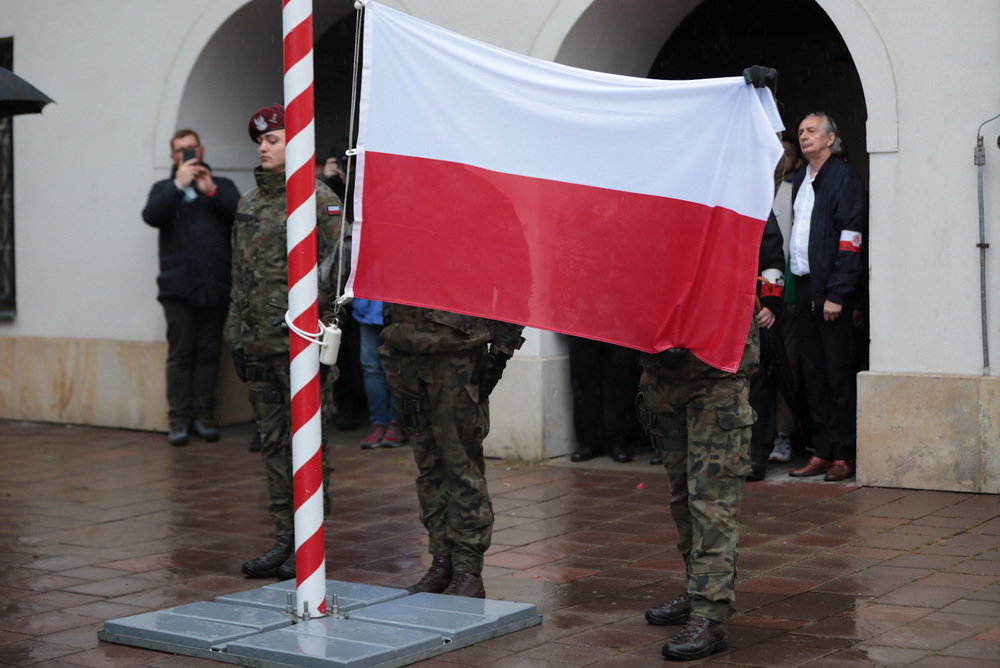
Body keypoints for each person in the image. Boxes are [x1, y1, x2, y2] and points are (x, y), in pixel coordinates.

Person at [639, 65, 775, 662]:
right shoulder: (655, 205)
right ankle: (696, 592)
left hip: (718, 375)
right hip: (664, 377)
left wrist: (761, 97)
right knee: (679, 496)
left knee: (711, 500)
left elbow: (757, 150)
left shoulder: (735, 200)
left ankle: (712, 617)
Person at [229, 104, 343, 579]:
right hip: (259, 346)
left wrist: (324, 333)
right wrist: (236, 336)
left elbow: (337, 272)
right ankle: (284, 538)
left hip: (301, 346)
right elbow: (239, 276)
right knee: (274, 447)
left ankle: (309, 539)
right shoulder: (250, 204)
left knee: (309, 448)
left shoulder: (318, 200)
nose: (263, 147)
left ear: (295, 144)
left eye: (273, 139)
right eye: (260, 141)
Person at [381, 306, 524, 598]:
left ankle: (468, 571)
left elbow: (512, 284)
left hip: (457, 354)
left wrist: (501, 352)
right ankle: (441, 561)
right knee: (429, 467)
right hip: (403, 352)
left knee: (461, 467)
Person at [142, 129, 240, 446]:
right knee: (181, 355)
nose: (187, 154)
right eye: (180, 150)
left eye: (191, 148)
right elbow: (151, 215)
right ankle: (178, 419)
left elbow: (240, 214)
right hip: (177, 288)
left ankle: (204, 415)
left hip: (215, 286)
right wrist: (177, 186)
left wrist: (210, 190)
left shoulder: (220, 185)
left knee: (209, 354)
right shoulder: (163, 188)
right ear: (173, 157)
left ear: (202, 149)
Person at [787, 112, 867, 483]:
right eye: (800, 131)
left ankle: (844, 454)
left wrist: (838, 292)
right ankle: (821, 450)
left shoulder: (844, 178)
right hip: (804, 287)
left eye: (811, 131)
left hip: (831, 291)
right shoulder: (799, 181)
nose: (803, 136)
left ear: (830, 139)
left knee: (838, 373)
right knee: (813, 374)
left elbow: (851, 239)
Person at [769, 137, 805, 463]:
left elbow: (796, 244)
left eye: (787, 153)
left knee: (786, 369)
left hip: (787, 297)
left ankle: (784, 436)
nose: (780, 158)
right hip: (753, 298)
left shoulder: (797, 191)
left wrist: (787, 293)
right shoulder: (753, 187)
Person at [746, 212, 786, 481]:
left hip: (751, 311)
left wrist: (770, 305)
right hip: (712, 311)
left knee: (758, 382)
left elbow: (772, 258)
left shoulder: (756, 201)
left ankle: (755, 456)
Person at [566, 338, 644, 463]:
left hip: (619, 323)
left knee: (622, 379)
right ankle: (589, 441)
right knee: (583, 379)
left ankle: (620, 441)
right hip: (582, 323)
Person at [353, 298, 405, 448]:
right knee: (371, 368)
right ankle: (378, 422)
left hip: (400, 307)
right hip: (367, 305)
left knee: (398, 367)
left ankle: (395, 421)